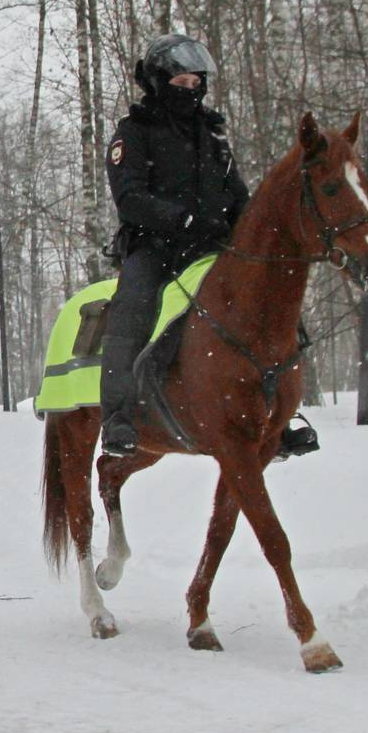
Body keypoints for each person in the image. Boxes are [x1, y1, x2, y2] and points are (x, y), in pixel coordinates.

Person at [100, 34, 250, 458]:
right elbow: (130, 198)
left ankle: (279, 409)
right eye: (181, 83)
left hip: (212, 247)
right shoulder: (133, 132)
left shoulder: (213, 134)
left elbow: (237, 193)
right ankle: (118, 418)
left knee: (266, 298)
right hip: (154, 247)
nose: (190, 91)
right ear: (158, 82)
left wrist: (248, 227)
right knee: (133, 310)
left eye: (195, 84)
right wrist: (181, 220)